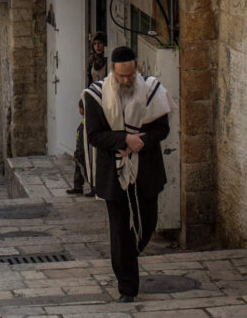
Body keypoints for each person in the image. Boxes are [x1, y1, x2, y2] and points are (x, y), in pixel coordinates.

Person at [82, 45, 173, 303]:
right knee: (120, 229)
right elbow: (94, 135)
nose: (126, 80)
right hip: (114, 173)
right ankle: (127, 287)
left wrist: (141, 142)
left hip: (146, 170)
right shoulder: (95, 96)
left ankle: (126, 259)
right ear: (112, 71)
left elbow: (162, 129)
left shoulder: (152, 91)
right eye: (121, 76)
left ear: (137, 70)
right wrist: (125, 140)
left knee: (147, 224)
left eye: (130, 76)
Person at [66, 98, 94, 196]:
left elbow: (82, 142)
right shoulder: (84, 122)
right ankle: (78, 187)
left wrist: (77, 154)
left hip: (83, 153)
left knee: (87, 171)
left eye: (80, 108)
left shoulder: (86, 124)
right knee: (78, 170)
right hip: (80, 152)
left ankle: (93, 188)